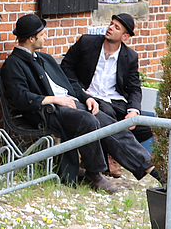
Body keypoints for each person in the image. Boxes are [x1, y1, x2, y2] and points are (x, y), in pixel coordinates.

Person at [0, 13, 151, 193]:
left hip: (69, 103)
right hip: (48, 111)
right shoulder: (14, 63)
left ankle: (148, 166)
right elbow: (19, 97)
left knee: (106, 121)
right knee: (88, 120)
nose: (46, 36)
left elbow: (69, 83)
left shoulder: (44, 58)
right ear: (32, 38)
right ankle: (94, 174)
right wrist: (54, 99)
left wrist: (86, 98)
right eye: (42, 34)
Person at [61, 13, 155, 148]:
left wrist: (133, 111)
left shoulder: (130, 56)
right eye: (111, 24)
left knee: (145, 127)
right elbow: (66, 67)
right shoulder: (86, 42)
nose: (110, 28)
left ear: (125, 36)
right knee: (108, 114)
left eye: (116, 27)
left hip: (115, 101)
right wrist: (79, 90)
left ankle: (111, 151)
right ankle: (111, 155)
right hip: (90, 97)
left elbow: (134, 87)